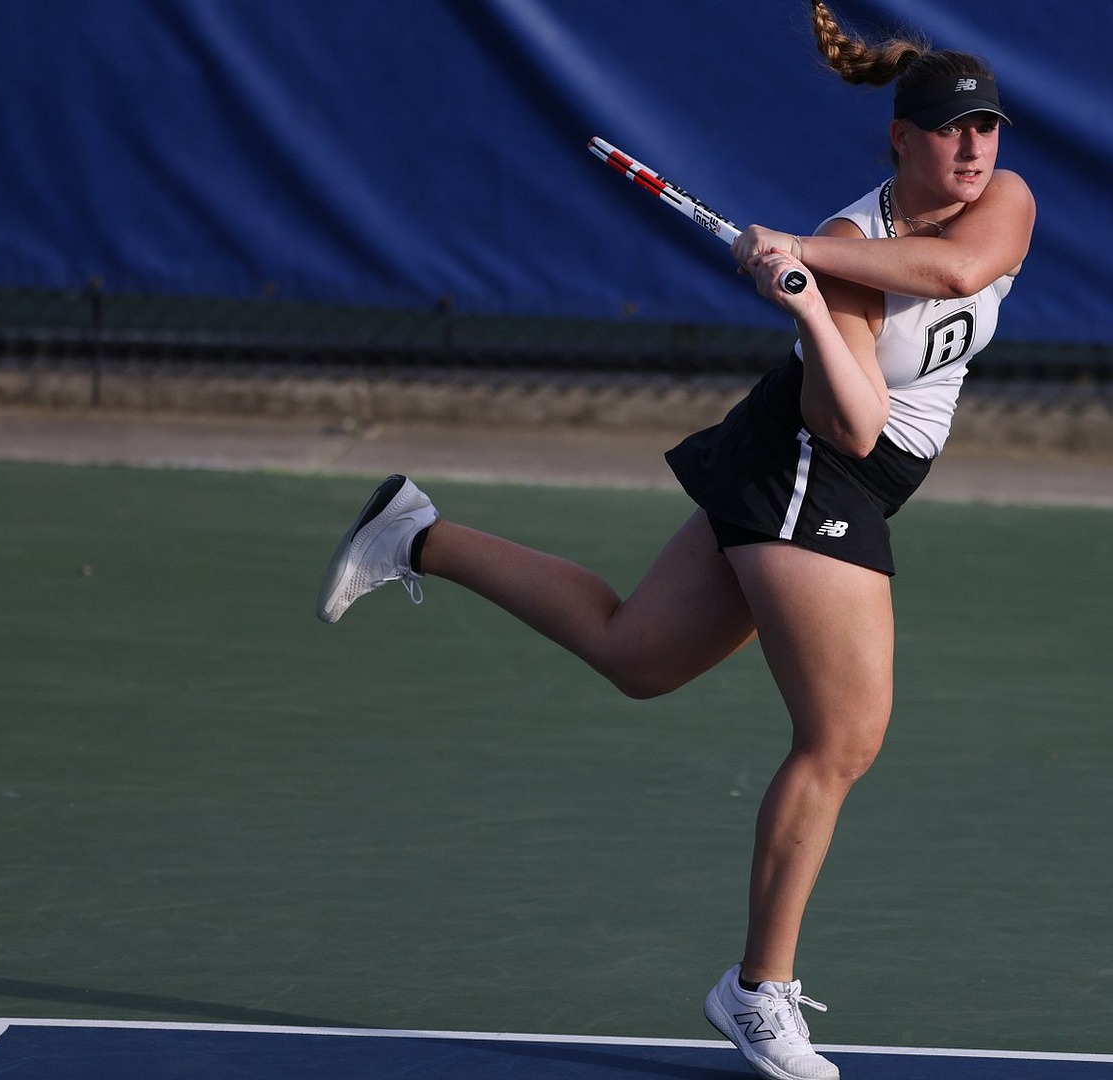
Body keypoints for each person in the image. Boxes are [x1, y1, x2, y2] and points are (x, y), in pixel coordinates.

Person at [315, 4, 1033, 1078]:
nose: (973, 149)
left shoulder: (1003, 202)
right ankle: (757, 990)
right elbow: (852, 424)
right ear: (900, 140)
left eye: (985, 128)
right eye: (948, 130)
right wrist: (806, 296)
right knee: (842, 737)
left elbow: (957, 276)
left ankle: (419, 535)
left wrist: (803, 257)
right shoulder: (843, 252)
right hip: (811, 467)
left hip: (814, 464)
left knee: (635, 656)